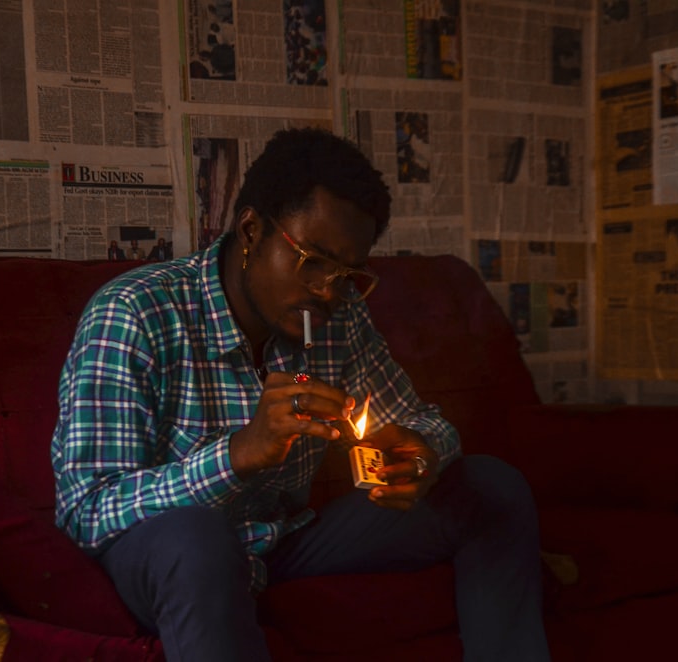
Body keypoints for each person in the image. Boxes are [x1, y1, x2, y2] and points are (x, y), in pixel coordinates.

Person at [52, 127, 549, 661]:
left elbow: (421, 420)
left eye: (348, 273)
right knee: (196, 539)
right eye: (312, 261)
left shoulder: (337, 315)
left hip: (284, 540)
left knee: (491, 487)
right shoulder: (134, 312)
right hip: (174, 555)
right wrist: (237, 455)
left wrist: (418, 455)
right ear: (250, 230)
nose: (327, 290)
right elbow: (88, 509)